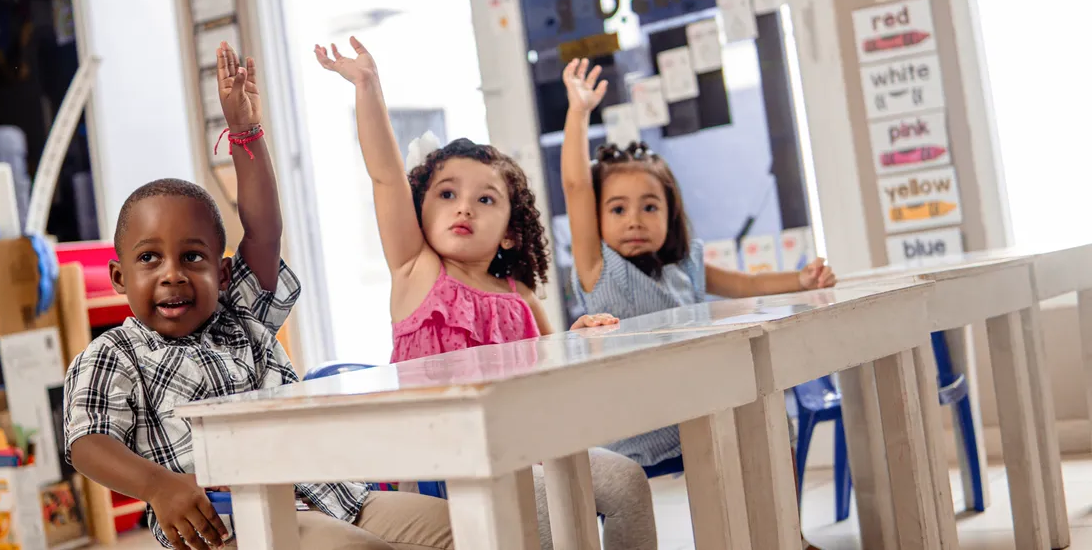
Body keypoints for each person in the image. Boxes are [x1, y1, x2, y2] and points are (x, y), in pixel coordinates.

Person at [64, 43, 454, 550]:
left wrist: (246, 133)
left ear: (224, 273)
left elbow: (263, 232)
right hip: (230, 528)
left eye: (193, 257)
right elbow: (86, 442)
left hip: (338, 497)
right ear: (118, 277)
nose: (173, 275)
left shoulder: (241, 316)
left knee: (463, 527)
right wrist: (158, 486)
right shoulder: (114, 355)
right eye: (149, 259)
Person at [316, 38, 658, 550]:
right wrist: (368, 86)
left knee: (626, 480)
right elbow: (385, 176)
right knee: (548, 500)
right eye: (447, 194)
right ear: (420, 208)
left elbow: (555, 373)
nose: (464, 208)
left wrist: (578, 338)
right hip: (444, 460)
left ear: (510, 232)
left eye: (486, 199)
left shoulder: (520, 296)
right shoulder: (418, 270)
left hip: (526, 449)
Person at [560, 57, 836, 548]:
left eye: (650, 207)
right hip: (632, 425)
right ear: (597, 219)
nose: (635, 220)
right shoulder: (597, 268)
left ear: (671, 213)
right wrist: (578, 111)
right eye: (617, 209)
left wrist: (800, 278)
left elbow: (747, 286)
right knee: (741, 424)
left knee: (772, 421)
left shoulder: (683, 265)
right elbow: (576, 184)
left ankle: (784, 537)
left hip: (692, 407)